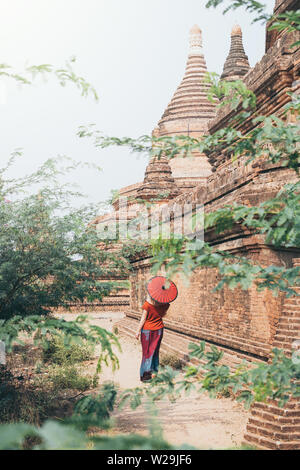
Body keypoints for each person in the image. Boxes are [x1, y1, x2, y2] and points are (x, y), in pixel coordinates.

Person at [135, 294, 170, 382]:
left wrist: (137, 331)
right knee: (155, 352)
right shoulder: (165, 304)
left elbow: (143, 319)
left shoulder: (148, 305)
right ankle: (155, 373)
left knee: (147, 353)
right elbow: (163, 315)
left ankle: (146, 376)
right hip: (159, 330)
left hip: (147, 331)